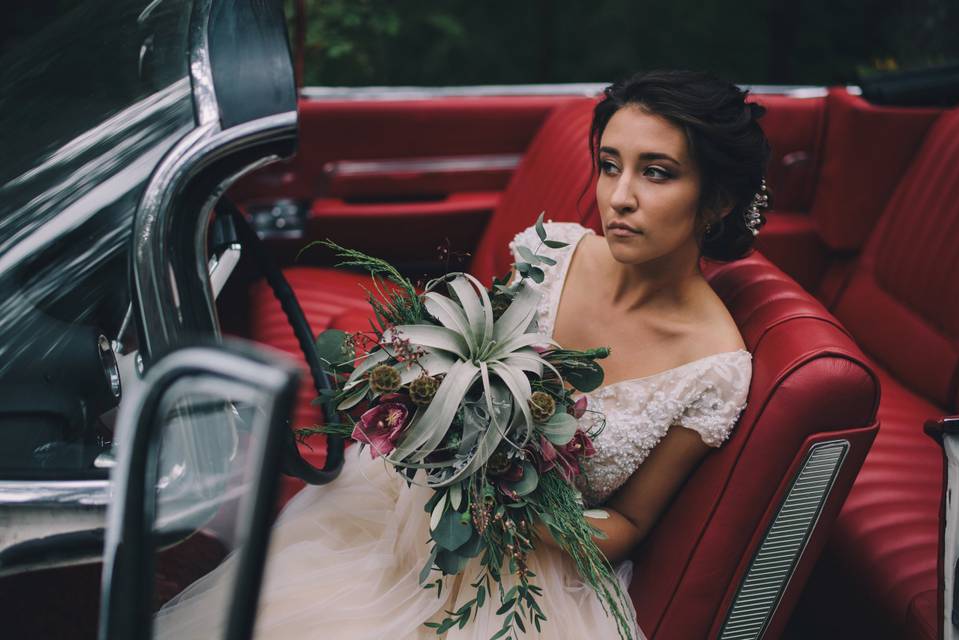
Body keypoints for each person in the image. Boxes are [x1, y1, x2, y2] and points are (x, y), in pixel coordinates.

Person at [154, 69, 767, 639]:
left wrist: (503, 492)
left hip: (524, 570)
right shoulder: (553, 252)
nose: (620, 197)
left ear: (716, 201)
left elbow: (627, 527)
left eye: (657, 172)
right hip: (417, 502)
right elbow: (475, 361)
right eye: (609, 166)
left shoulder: (713, 369)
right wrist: (429, 407)